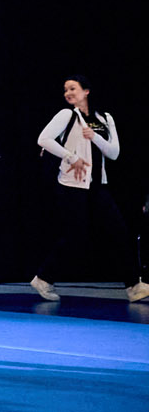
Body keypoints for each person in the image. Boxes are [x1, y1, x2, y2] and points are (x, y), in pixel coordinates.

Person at [30, 77, 144, 301]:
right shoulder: (67, 115)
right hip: (72, 185)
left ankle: (133, 286)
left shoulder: (105, 118)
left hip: (98, 185)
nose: (68, 93)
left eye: (73, 88)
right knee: (75, 236)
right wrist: (71, 157)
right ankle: (43, 279)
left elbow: (114, 153)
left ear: (87, 91)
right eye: (65, 90)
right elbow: (43, 139)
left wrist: (96, 137)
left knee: (119, 231)